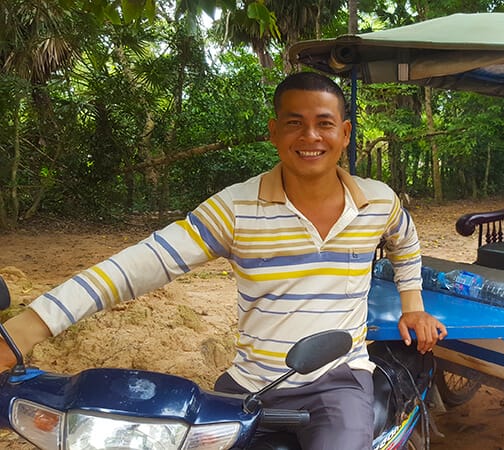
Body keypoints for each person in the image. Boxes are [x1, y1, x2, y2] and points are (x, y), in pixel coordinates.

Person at [0, 72, 447, 449]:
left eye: (324, 123)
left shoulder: (377, 201)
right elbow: (139, 265)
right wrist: (19, 334)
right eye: (295, 123)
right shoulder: (235, 209)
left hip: (338, 380)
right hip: (253, 381)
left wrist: (413, 305)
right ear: (274, 132)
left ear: (345, 134)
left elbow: (404, 242)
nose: (310, 136)